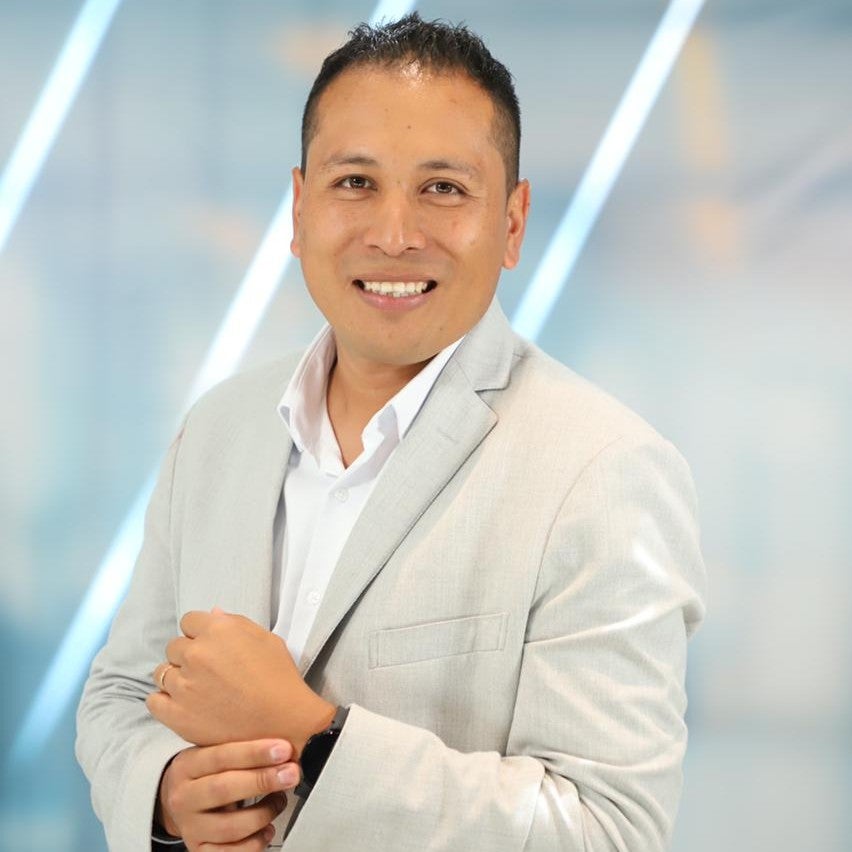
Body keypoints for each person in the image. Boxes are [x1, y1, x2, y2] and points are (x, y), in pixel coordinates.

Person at [76, 13, 706, 852]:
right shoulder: (218, 429)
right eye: (355, 182)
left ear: (513, 223)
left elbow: (607, 830)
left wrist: (313, 736)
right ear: (300, 207)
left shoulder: (606, 470)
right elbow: (121, 694)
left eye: (443, 189)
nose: (395, 234)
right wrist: (163, 794)